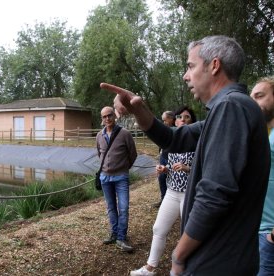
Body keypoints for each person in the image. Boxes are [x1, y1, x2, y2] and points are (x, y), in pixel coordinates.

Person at [101, 35, 270, 275]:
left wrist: (178, 255)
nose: (185, 75)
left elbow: (215, 193)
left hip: (217, 263)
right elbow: (172, 139)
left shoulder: (231, 107)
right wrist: (137, 108)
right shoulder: (229, 108)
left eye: (190, 66)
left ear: (214, 65)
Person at [131, 106, 196, 276]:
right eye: (180, 117)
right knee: (158, 228)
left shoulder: (198, 141)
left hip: (190, 194)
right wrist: (164, 169)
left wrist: (188, 168)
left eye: (187, 117)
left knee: (189, 234)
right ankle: (150, 268)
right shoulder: (170, 142)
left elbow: (206, 168)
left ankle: (190, 269)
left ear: (192, 121)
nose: (183, 119)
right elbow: (167, 164)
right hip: (172, 192)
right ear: (174, 120)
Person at [96, 106, 137, 252]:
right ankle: (114, 234)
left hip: (121, 177)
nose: (107, 118)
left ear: (114, 116)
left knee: (124, 208)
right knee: (111, 207)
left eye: (109, 115)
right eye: (104, 117)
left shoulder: (125, 133)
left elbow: (133, 154)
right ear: (102, 119)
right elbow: (99, 154)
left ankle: (121, 237)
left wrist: (123, 167)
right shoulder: (99, 136)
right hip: (105, 178)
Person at [250, 76, 274, 276]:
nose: (253, 102)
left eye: (260, 96)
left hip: (269, 233)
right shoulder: (264, 133)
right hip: (257, 229)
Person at [152, 111, 175, 208]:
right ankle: (163, 200)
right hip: (163, 157)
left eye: (165, 120)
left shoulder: (176, 130)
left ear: (171, 119)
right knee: (161, 178)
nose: (164, 123)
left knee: (172, 179)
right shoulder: (164, 130)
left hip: (172, 158)